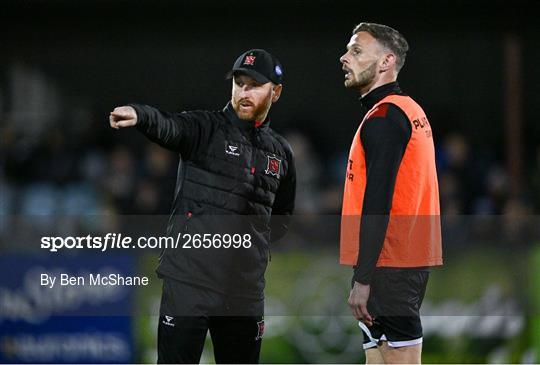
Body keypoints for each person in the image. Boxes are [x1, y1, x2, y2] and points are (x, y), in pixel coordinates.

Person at [109, 49, 296, 364]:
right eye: (239, 83)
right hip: (188, 281)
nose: (243, 92)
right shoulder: (204, 128)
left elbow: (281, 220)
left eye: (254, 85)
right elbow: (169, 126)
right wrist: (140, 115)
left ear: (275, 92)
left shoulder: (281, 153)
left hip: (244, 292)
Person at [339, 23, 443, 364]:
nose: (344, 58)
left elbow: (378, 201)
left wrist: (363, 278)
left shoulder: (384, 117)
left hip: (389, 265)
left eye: (356, 51)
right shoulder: (406, 111)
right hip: (397, 262)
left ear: (386, 62)